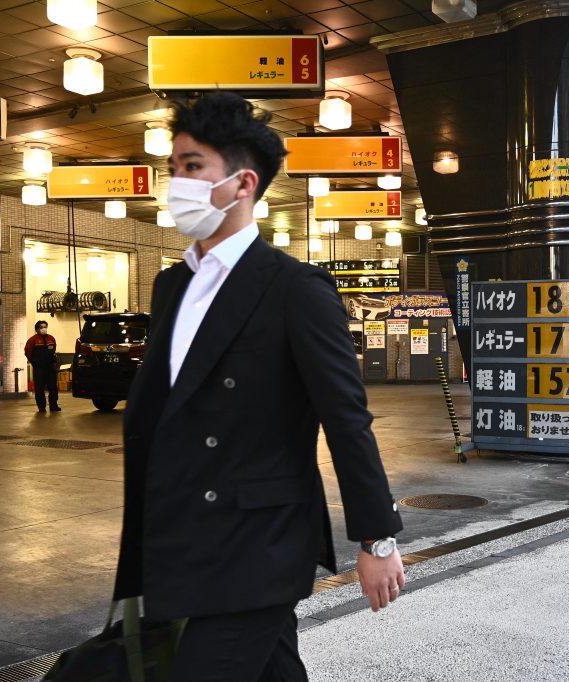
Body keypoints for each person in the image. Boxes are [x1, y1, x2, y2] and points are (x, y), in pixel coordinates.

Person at [113, 92, 405, 681]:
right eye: (173, 169)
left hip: (256, 542)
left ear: (243, 184)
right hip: (182, 535)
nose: (177, 184)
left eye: (193, 168)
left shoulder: (295, 289)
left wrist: (375, 538)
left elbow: (345, 416)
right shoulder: (172, 286)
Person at [25, 320, 60, 413]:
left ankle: (54, 405)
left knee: (53, 387)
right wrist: (35, 362)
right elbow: (27, 352)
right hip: (39, 369)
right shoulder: (32, 340)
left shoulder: (51, 339)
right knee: (39, 388)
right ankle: (41, 407)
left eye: (45, 326)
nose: (44, 329)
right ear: (37, 329)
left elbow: (53, 350)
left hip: (50, 367)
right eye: (41, 327)